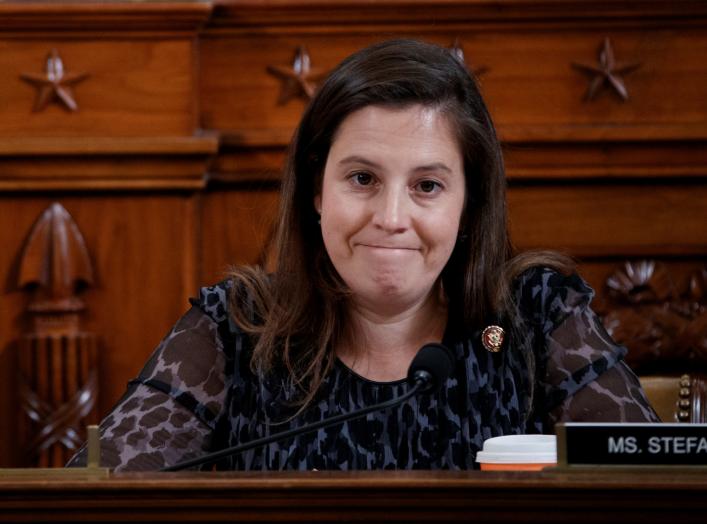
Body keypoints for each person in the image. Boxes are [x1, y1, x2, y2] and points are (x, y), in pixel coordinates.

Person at [68, 39, 658, 472]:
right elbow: (97, 500)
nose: (392, 218)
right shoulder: (237, 327)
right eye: (362, 178)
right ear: (317, 191)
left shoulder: (532, 319)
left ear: (468, 205)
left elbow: (656, 494)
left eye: (427, 186)